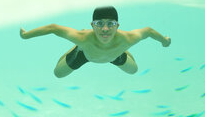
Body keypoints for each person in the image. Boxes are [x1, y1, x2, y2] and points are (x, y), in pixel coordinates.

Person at [20, 6, 171, 78]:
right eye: (99, 24)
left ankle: (122, 52)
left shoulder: (128, 38)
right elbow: (52, 28)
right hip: (85, 54)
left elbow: (149, 31)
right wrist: (26, 35)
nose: (105, 29)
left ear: (117, 26)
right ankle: (76, 49)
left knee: (133, 71)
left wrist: (164, 41)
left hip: (115, 54)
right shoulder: (82, 37)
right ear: (92, 25)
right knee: (58, 74)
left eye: (110, 24)